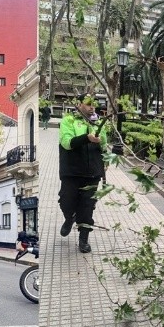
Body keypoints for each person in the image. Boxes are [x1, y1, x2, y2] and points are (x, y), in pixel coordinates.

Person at [59, 94, 108, 253]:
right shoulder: (69, 120)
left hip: (93, 173)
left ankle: (83, 240)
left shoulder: (99, 122)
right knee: (66, 201)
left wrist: (105, 162)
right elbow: (67, 143)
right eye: (88, 104)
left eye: (93, 104)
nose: (92, 106)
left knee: (87, 207)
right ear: (79, 104)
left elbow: (104, 145)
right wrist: (86, 138)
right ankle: (69, 218)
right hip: (71, 172)